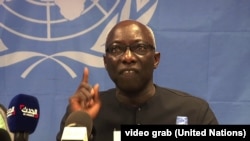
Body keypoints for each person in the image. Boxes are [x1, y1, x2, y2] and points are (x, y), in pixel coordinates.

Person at [56, 19, 218, 141]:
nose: (127, 57)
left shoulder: (194, 113)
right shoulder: (82, 114)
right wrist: (79, 124)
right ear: (106, 62)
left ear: (155, 59)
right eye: (116, 49)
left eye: (139, 48)